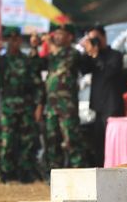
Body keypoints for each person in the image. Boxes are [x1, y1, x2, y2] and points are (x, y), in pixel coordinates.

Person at [0, 27, 44, 183]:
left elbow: (37, 85)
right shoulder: (2, 60)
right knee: (7, 141)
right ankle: (7, 174)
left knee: (27, 142)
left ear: (19, 40)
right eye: (9, 39)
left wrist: (39, 106)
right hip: (7, 107)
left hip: (26, 106)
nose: (13, 42)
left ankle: (25, 174)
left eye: (15, 39)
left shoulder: (26, 61)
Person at [31, 24, 86, 172]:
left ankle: (77, 173)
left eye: (61, 34)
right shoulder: (52, 56)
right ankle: (55, 174)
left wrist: (49, 43)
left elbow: (64, 60)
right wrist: (35, 47)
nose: (57, 36)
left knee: (71, 140)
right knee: (52, 142)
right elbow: (36, 66)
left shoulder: (73, 53)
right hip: (51, 107)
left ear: (69, 37)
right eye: (56, 34)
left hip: (67, 107)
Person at [81, 25, 124, 167]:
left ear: (104, 37)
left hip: (112, 106)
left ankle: (114, 167)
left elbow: (109, 73)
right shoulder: (93, 55)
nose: (95, 42)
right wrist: (86, 51)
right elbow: (83, 69)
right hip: (97, 107)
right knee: (98, 143)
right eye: (92, 39)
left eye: (96, 38)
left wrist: (96, 55)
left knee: (111, 142)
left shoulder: (115, 55)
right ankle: (100, 169)